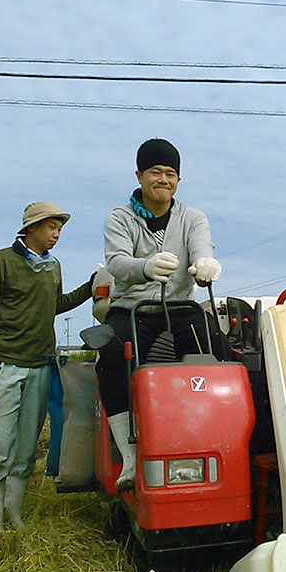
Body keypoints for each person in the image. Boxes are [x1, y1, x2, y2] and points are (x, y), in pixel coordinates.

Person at [0, 202, 94, 546]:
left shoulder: (53, 266)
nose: (56, 235)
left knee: (25, 448)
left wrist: (90, 287)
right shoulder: (1, 262)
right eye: (51, 228)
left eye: (59, 230)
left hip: (39, 365)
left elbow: (54, 306)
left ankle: (14, 514)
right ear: (32, 227)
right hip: (4, 365)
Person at [98, 138, 223, 488]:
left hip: (180, 306)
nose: (163, 179)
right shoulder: (119, 218)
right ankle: (129, 455)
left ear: (179, 180)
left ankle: (207, 436)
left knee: (216, 347)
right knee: (110, 353)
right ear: (139, 175)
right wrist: (145, 266)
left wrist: (204, 262)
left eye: (171, 173)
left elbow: (201, 245)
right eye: (155, 172)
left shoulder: (193, 217)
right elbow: (117, 262)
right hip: (132, 308)